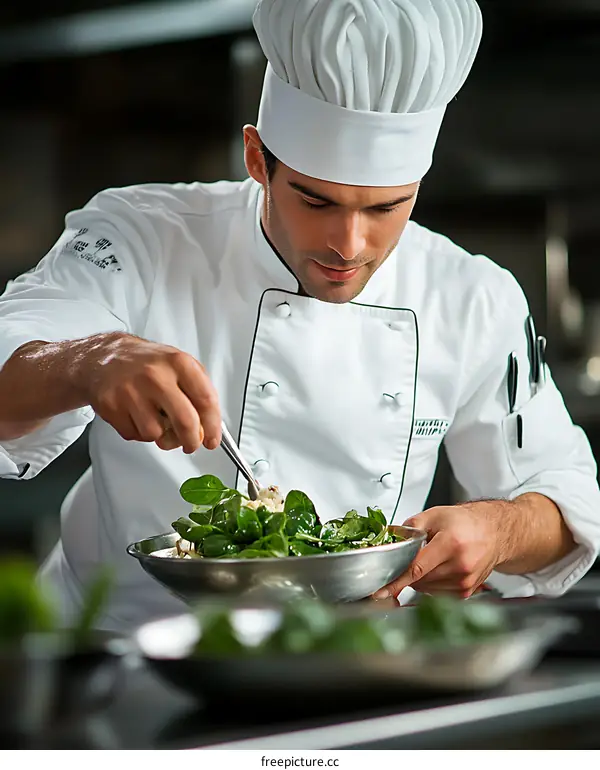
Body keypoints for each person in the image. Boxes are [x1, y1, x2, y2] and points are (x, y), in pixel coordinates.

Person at [0, 0, 598, 632]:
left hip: (344, 660)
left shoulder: (472, 295)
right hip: (116, 655)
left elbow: (567, 503)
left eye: (386, 208)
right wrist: (88, 361)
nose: (349, 244)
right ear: (258, 160)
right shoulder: (141, 236)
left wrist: (497, 532)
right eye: (316, 201)